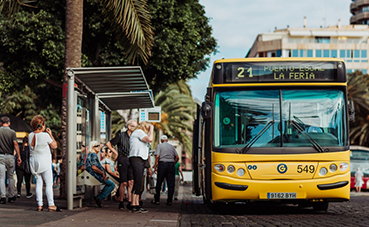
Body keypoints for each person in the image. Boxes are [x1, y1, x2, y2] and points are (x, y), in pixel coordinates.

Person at [28, 115, 60, 211]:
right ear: (41, 125)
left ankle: (40, 205)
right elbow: (54, 146)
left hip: (34, 162)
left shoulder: (30, 135)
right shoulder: (45, 136)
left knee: (39, 183)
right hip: (44, 162)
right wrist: (50, 134)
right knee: (49, 183)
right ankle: (51, 204)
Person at [106, 119, 137, 210]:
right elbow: (108, 144)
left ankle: (130, 202)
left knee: (131, 182)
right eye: (134, 126)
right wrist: (116, 152)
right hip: (123, 159)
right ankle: (121, 201)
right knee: (123, 183)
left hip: (132, 159)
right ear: (129, 126)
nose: (135, 128)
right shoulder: (121, 135)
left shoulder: (135, 137)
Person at [129, 121, 153, 213]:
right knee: (138, 181)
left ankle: (136, 204)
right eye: (148, 128)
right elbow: (150, 139)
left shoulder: (138, 133)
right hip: (136, 159)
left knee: (138, 182)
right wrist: (152, 129)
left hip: (140, 159)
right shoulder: (139, 132)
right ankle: (134, 204)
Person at [85, 141, 116, 208]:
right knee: (112, 184)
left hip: (93, 175)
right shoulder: (93, 155)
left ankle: (99, 197)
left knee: (110, 184)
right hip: (96, 176)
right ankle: (99, 197)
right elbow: (94, 167)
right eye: (96, 146)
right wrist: (102, 173)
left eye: (99, 145)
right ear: (92, 147)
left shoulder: (90, 155)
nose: (99, 147)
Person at [152, 135, 179, 206]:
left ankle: (157, 199)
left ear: (161, 140)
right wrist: (174, 163)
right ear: (167, 140)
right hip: (170, 165)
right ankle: (169, 200)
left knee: (159, 182)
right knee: (171, 184)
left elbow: (157, 156)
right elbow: (177, 157)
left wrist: (155, 165)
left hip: (162, 165)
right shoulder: (172, 147)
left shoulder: (159, 146)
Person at [0, 116, 21, 204]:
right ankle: (11, 196)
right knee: (11, 176)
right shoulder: (12, 132)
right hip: (10, 156)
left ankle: (2, 197)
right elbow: (15, 144)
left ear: (0, 123)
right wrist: (19, 156)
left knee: (1, 177)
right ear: (9, 123)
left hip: (0, 156)